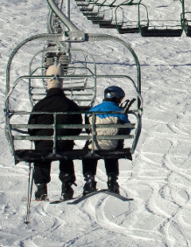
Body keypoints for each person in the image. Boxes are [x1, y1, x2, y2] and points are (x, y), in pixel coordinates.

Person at [29, 65, 83, 201]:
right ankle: (67, 186)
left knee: (42, 154)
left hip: (43, 143)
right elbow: (78, 125)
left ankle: (41, 188)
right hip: (64, 144)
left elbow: (31, 127)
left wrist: (37, 137)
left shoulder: (40, 105)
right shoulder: (70, 104)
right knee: (66, 153)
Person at [82, 86, 131, 196]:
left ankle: (89, 180)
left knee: (89, 149)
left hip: (94, 145)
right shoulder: (119, 112)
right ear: (116, 98)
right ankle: (112, 180)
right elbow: (126, 130)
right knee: (112, 148)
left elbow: (87, 128)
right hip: (112, 146)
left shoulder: (92, 111)